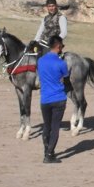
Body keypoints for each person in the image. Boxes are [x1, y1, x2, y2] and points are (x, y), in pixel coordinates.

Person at [37, 35, 70, 164]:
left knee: (47, 126)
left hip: (45, 99)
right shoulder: (61, 63)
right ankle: (49, 154)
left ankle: (47, 151)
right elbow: (65, 78)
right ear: (58, 46)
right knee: (55, 127)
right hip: (58, 98)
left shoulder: (40, 61)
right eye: (62, 46)